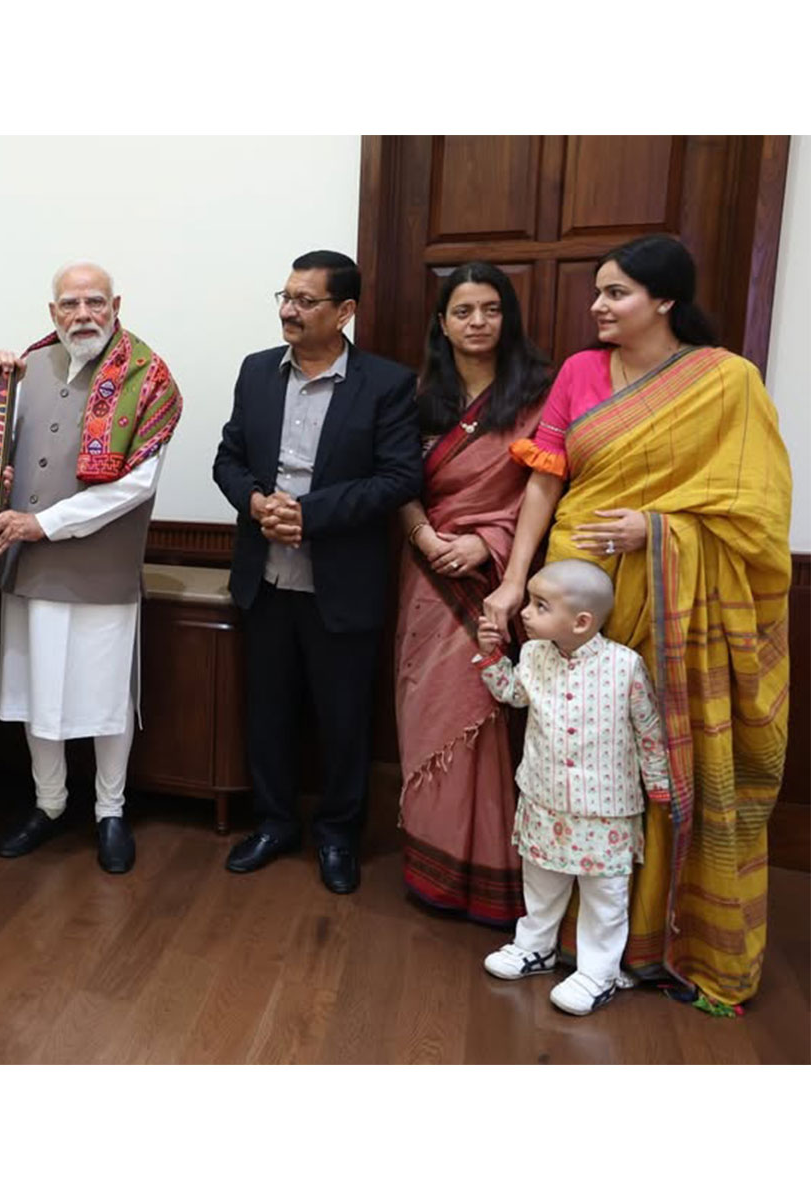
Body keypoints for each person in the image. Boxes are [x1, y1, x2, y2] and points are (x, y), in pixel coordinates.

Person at [483, 234, 791, 1010]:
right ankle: (557, 936)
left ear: (665, 300)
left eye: (615, 293)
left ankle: (646, 941)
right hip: (576, 588)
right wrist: (516, 582)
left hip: (672, 596)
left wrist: (657, 530)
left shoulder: (727, 383)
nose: (597, 307)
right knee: (572, 747)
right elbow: (544, 485)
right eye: (597, 292)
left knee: (649, 759)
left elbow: (755, 512)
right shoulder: (581, 372)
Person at [212, 250, 422, 894]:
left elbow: (398, 478)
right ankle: (275, 823)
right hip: (265, 577)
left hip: (340, 580)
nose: (288, 310)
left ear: (345, 311)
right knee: (268, 711)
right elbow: (228, 458)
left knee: (342, 718)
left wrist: (308, 513)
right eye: (285, 296)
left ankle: (338, 835)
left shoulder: (385, 383)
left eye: (305, 301)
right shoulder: (256, 372)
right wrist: (254, 502)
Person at [0, 261, 182, 875]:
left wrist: (42, 523)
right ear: (52, 313)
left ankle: (109, 811)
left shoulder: (148, 378)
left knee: (105, 700)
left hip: (99, 567)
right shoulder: (27, 367)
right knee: (35, 691)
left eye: (95, 302)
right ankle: (47, 804)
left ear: (116, 304)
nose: (83, 315)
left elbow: (135, 486)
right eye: (69, 304)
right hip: (26, 566)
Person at [393, 263, 552, 925]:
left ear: (506, 317)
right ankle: (430, 869)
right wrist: (427, 539)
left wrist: (486, 544)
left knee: (489, 717)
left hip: (498, 582)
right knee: (427, 710)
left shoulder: (540, 395)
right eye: (464, 311)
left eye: (491, 309)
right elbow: (396, 481)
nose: (479, 322)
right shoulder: (416, 394)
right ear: (442, 322)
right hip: (425, 577)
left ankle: (488, 876)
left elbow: (547, 491)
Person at [474, 560, 671, 1016]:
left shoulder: (625, 667)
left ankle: (599, 971)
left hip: (606, 808)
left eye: (540, 606)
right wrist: (491, 658)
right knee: (541, 881)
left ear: (582, 621)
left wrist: (659, 784)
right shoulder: (532, 655)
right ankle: (535, 948)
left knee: (605, 895)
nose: (524, 612)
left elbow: (648, 730)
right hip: (544, 798)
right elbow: (514, 694)